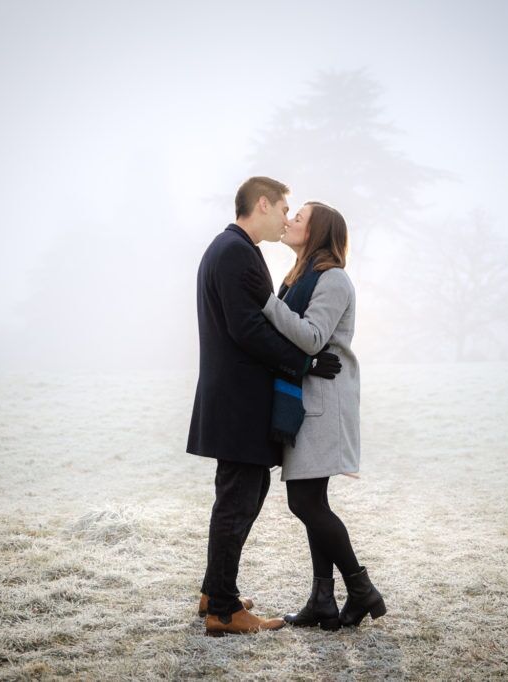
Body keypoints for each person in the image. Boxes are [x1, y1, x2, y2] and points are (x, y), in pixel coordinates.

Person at [187, 177, 343, 637]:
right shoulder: (236, 250)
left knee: (239, 498)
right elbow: (247, 328)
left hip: (233, 399)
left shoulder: (230, 248)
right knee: (239, 501)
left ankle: (214, 590)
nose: (285, 218)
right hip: (239, 402)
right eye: (283, 208)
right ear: (262, 203)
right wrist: (308, 361)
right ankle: (223, 609)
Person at [241, 201, 386, 630]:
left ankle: (360, 588)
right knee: (311, 501)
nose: (288, 221)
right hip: (307, 399)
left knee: (305, 501)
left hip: (324, 402)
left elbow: (312, 337)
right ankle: (324, 600)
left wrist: (267, 302)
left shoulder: (333, 279)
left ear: (318, 232)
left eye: (298, 218)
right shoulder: (300, 277)